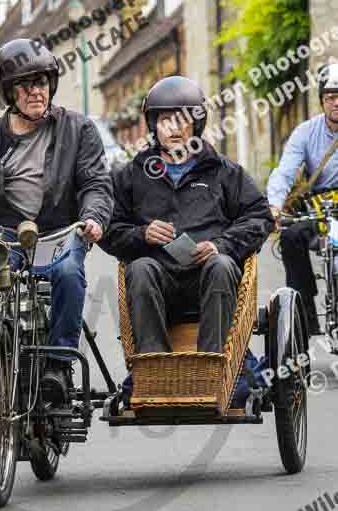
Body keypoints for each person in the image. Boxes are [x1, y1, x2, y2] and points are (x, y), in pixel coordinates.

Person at [0, 38, 113, 413]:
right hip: (4, 233)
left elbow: (96, 184)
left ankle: (57, 365)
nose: (37, 90)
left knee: (69, 273)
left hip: (61, 230)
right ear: (9, 91)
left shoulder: (78, 130)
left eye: (42, 82)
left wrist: (93, 218)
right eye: (26, 83)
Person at [99, 75, 274, 357]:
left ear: (197, 123)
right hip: (158, 282)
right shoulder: (131, 175)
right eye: (165, 120)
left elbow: (260, 218)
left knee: (222, 264)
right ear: (154, 125)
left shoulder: (224, 172)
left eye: (183, 119)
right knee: (140, 269)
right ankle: (153, 368)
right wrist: (141, 234)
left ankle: (213, 366)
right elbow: (107, 227)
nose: (174, 129)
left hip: (211, 282)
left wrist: (221, 245)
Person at [267, 63, 338, 335]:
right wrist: (274, 205)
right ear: (321, 100)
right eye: (330, 97)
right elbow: (284, 172)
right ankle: (305, 310)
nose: (336, 102)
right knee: (291, 236)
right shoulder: (305, 133)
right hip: (320, 210)